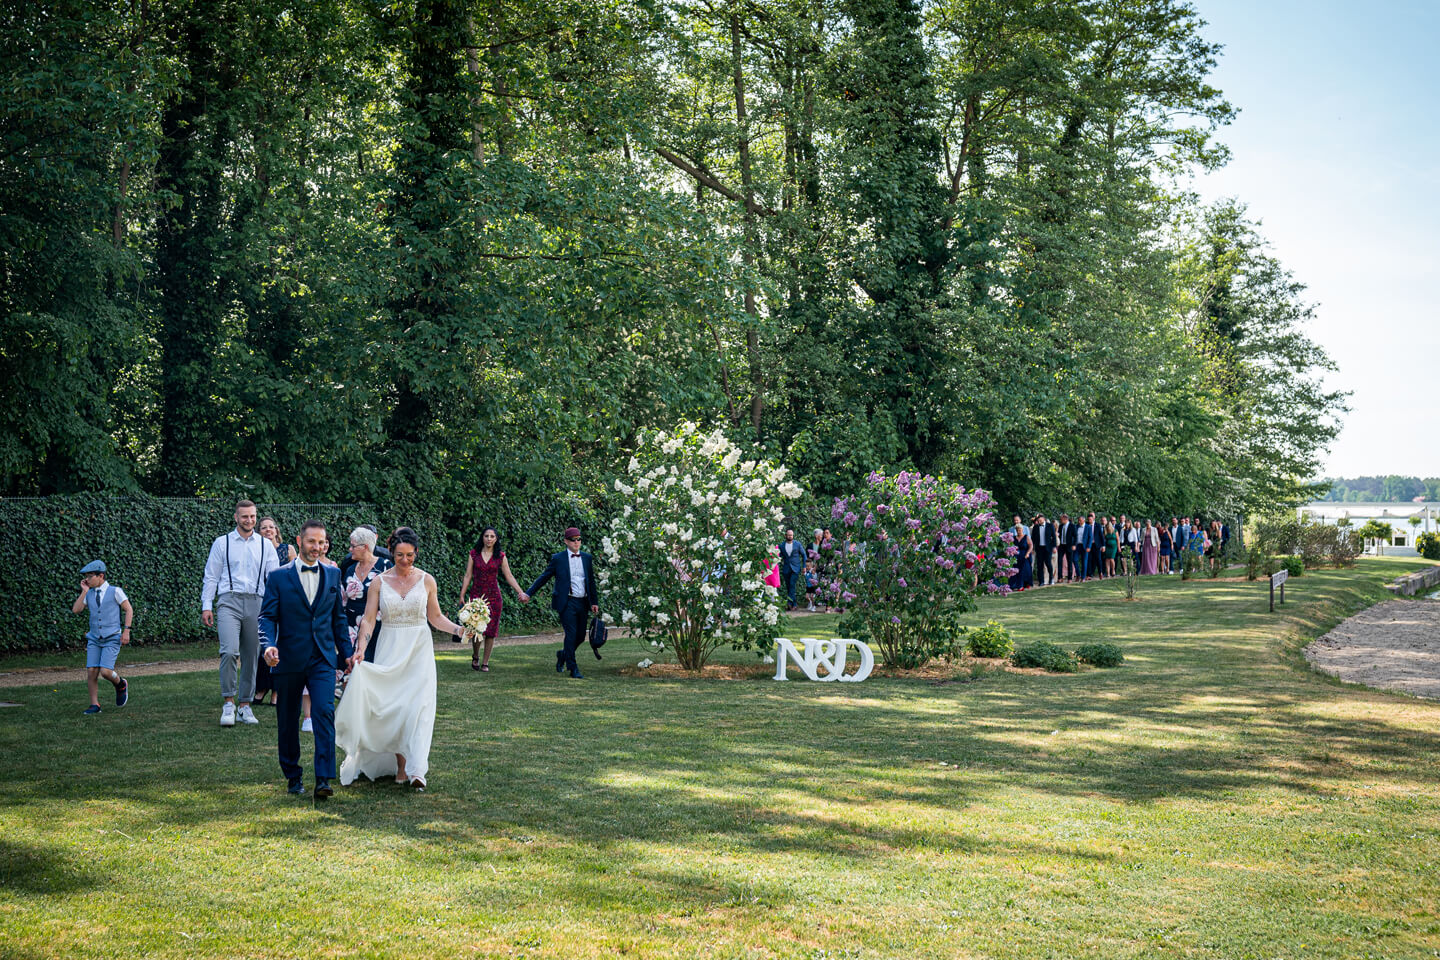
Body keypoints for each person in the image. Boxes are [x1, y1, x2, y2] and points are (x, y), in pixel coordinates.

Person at [336, 527, 466, 792]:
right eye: (399, 556)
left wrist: (458, 630)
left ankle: (415, 769)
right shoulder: (379, 583)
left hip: (418, 649)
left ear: (416, 553)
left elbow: (435, 617)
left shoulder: (427, 581)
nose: (405, 561)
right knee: (392, 708)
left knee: (417, 707)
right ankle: (398, 763)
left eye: (409, 556)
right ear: (391, 554)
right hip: (390, 645)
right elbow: (369, 620)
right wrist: (361, 647)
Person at [259, 520, 353, 800]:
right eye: (311, 541)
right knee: (287, 718)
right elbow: (266, 617)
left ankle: (323, 778)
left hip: (322, 657)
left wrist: (346, 652)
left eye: (321, 542)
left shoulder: (333, 574)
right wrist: (269, 646)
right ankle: (292, 775)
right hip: (287, 658)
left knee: (324, 711)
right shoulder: (278, 577)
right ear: (299, 542)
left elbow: (338, 617)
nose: (317, 547)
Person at [202, 499, 281, 727]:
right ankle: (229, 702)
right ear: (236, 517)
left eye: (253, 516)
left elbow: (274, 577)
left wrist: (276, 607)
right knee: (228, 651)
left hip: (257, 602)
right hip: (229, 600)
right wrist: (207, 605)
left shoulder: (265, 545)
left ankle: (245, 705)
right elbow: (211, 575)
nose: (249, 520)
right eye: (245, 516)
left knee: (251, 655)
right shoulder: (222, 542)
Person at [527, 527, 601, 680]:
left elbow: (591, 581)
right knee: (571, 634)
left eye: (579, 539)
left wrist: (594, 601)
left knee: (580, 636)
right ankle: (573, 668)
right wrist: (528, 593)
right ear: (566, 541)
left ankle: (563, 655)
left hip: (583, 601)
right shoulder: (558, 558)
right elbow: (544, 577)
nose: (576, 542)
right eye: (573, 539)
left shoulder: (587, 558)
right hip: (566, 601)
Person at [458, 526, 529, 672]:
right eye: (486, 536)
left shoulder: (500, 556)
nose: (489, 539)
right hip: (476, 596)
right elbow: (468, 575)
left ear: (496, 539)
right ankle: (476, 656)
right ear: (482, 538)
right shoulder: (474, 554)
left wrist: (521, 592)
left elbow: (509, 576)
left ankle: (485, 662)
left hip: (494, 597)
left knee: (491, 631)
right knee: (476, 629)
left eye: (492, 536)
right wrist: (462, 594)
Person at [73, 560, 132, 715]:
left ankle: (120, 684)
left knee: (105, 671)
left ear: (101, 576)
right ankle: (95, 705)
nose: (87, 579)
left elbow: (129, 609)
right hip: (94, 638)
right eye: (86, 576)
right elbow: (76, 610)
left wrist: (127, 631)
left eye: (90, 576)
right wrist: (84, 591)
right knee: (92, 671)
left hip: (112, 637)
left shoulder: (115, 591)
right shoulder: (89, 593)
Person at [253, 518, 293, 707]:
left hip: (284, 601)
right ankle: (261, 687)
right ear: (259, 531)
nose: (268, 530)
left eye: (271, 527)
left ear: (276, 530)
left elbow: (295, 575)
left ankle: (277, 690)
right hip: (263, 600)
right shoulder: (255, 549)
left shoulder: (288, 549)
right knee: (264, 642)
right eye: (264, 528)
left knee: (281, 643)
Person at [339, 526, 392, 665]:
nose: (350, 549)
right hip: (351, 627)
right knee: (349, 666)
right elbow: (343, 599)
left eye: (353, 546)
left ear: (365, 547)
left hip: (377, 626)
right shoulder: (350, 569)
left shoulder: (385, 566)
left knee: (371, 665)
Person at [778, 529, 805, 610]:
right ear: (785, 535)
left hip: (795, 568)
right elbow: (778, 556)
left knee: (792, 584)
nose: (790, 536)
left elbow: (804, 555)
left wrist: (804, 566)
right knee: (789, 586)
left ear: (793, 536)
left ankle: (789, 603)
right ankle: (794, 604)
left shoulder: (798, 544)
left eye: (791, 535)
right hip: (786, 568)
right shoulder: (781, 545)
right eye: (788, 535)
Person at [1009, 517, 1032, 590]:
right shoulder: (1014, 538)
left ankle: (1021, 585)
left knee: (1024, 570)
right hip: (1016, 556)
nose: (1019, 531)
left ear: (1022, 530)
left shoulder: (1026, 537)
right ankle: (1014, 585)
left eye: (1020, 530)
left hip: (1024, 555)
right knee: (1015, 570)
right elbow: (1011, 546)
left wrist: (1028, 553)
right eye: (1017, 530)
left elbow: (1031, 545)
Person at [1030, 515, 1054, 586]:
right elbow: (1033, 539)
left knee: (1048, 564)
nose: (1039, 521)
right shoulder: (1036, 527)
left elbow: (1054, 537)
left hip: (1047, 548)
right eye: (1038, 520)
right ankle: (1041, 581)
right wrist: (1032, 548)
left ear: (1044, 519)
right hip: (1039, 548)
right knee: (1039, 565)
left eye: (1040, 520)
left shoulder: (1050, 526)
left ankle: (1051, 578)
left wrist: (1053, 547)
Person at [1056, 513, 1075, 582]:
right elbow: (1059, 534)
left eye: (1061, 519)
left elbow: (1075, 536)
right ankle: (1060, 577)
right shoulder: (1061, 526)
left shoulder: (1072, 526)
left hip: (1069, 545)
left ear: (1065, 519)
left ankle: (1070, 578)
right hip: (1061, 545)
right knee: (1059, 561)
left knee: (1069, 561)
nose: (1061, 521)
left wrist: (1074, 545)